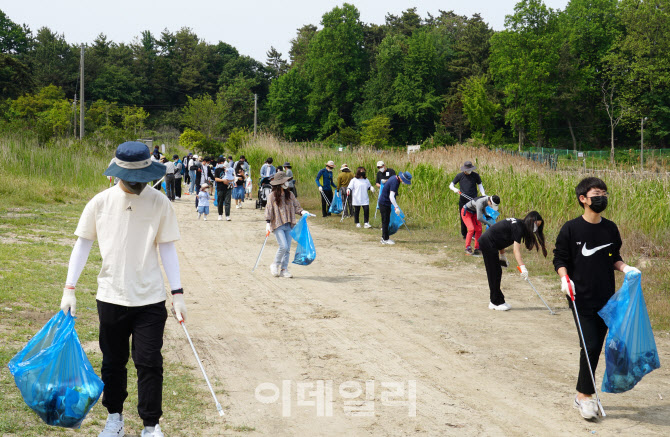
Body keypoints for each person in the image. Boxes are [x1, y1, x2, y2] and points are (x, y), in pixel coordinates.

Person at [59, 141, 186, 437]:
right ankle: (114, 418)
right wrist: (69, 289)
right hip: (111, 296)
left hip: (150, 298)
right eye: (133, 179)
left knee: (149, 362)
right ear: (118, 173)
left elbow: (167, 248)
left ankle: (151, 426)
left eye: (143, 179)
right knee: (113, 362)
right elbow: (82, 245)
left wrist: (177, 294)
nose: (139, 184)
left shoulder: (159, 202)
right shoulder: (100, 203)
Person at [553, 177, 641, 420]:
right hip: (579, 296)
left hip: (606, 298)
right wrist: (564, 278)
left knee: (595, 345)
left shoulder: (610, 228)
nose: (601, 196)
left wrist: (626, 269)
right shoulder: (570, 229)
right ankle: (584, 396)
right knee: (590, 344)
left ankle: (583, 393)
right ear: (583, 198)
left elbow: (613, 257)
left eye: (604, 192)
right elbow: (559, 258)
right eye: (596, 193)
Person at [478, 211, 547, 311]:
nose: (536, 227)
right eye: (537, 224)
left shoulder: (519, 225)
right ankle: (495, 302)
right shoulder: (519, 228)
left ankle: (498, 300)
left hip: (492, 243)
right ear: (531, 220)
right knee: (494, 272)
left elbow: (501, 237)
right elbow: (516, 251)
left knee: (497, 272)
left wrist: (502, 256)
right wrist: (522, 267)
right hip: (487, 242)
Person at [265, 171, 312, 278]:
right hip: (277, 224)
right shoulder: (272, 196)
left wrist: (302, 212)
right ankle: (275, 264)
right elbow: (269, 209)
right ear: (279, 183)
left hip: (289, 224)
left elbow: (296, 206)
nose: (287, 183)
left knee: (288, 248)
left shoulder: (290, 194)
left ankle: (284, 269)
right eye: (285, 181)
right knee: (283, 246)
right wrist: (268, 223)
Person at [449, 161, 486, 239]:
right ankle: (465, 234)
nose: (469, 171)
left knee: (474, 216)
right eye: (467, 170)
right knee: (463, 217)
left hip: (473, 200)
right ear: (464, 169)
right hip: (463, 200)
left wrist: (483, 194)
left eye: (470, 169)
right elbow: (451, 185)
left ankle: (474, 234)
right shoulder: (459, 176)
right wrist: (455, 189)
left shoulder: (476, 176)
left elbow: (480, 186)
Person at [378, 171, 412, 245]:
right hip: (384, 203)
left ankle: (384, 237)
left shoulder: (395, 178)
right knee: (385, 221)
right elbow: (391, 196)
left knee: (386, 221)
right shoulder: (395, 182)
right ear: (403, 179)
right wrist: (396, 207)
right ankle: (385, 239)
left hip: (385, 203)